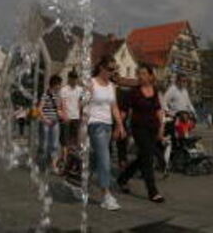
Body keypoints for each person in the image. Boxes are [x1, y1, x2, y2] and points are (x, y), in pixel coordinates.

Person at [117, 64, 166, 203]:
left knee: (144, 157)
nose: (141, 76)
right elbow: (124, 111)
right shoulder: (133, 92)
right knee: (148, 158)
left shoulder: (155, 91)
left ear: (150, 76)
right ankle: (153, 191)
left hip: (153, 128)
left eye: (144, 73)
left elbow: (158, 110)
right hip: (139, 128)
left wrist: (161, 127)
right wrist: (119, 126)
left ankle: (122, 179)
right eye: (139, 73)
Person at [85, 55, 126, 211]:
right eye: (110, 69)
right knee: (105, 159)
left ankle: (79, 181)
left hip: (107, 125)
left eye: (114, 70)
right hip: (95, 124)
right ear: (101, 68)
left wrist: (120, 125)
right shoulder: (91, 83)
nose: (112, 72)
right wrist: (82, 128)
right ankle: (106, 196)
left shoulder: (111, 86)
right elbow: (85, 106)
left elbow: (114, 107)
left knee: (97, 158)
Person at [35, 75, 66, 172]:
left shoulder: (58, 96)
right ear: (55, 84)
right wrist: (45, 119)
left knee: (54, 145)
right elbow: (39, 109)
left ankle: (52, 165)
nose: (60, 86)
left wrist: (62, 114)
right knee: (44, 145)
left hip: (55, 122)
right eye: (59, 85)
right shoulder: (46, 95)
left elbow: (59, 109)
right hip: (45, 122)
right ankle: (40, 163)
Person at [60, 71, 83, 160]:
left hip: (76, 117)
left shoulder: (80, 89)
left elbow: (81, 101)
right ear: (69, 79)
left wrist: (80, 112)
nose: (74, 80)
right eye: (72, 78)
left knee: (74, 139)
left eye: (75, 78)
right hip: (67, 117)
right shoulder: (64, 89)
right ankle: (64, 157)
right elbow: (63, 103)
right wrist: (65, 115)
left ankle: (72, 157)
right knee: (65, 139)